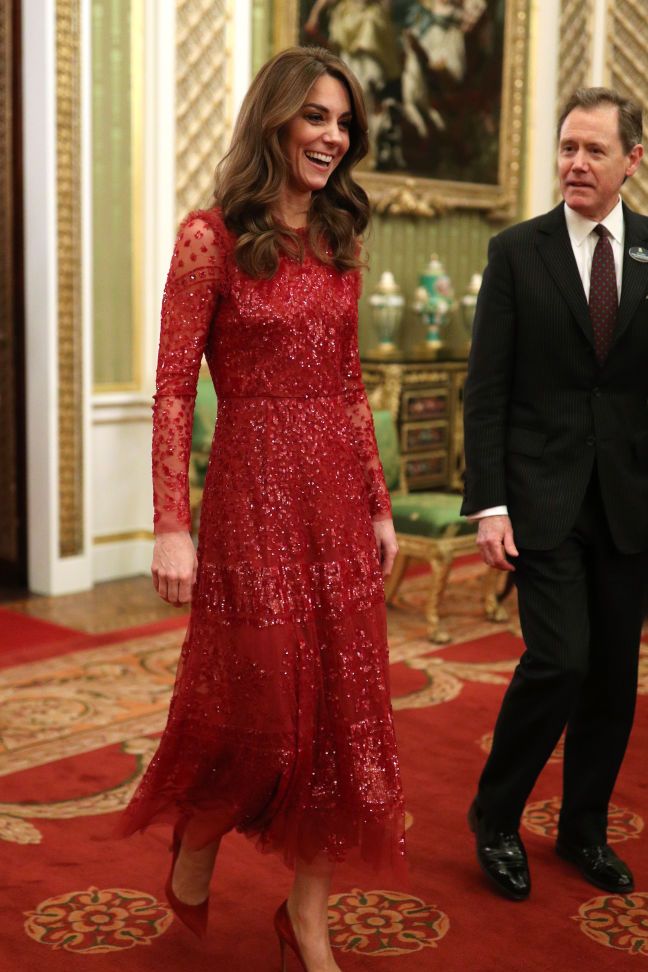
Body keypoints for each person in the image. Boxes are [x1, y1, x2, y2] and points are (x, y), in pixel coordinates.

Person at [117, 46, 406, 970]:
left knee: (341, 720)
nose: (333, 136)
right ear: (275, 120)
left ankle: (306, 917)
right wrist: (171, 522)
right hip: (249, 492)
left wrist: (378, 504)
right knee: (257, 713)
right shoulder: (211, 235)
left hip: (334, 499)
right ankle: (195, 840)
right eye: (316, 117)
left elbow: (351, 383)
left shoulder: (341, 234)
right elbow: (171, 389)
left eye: (344, 122)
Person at [461, 87, 647, 901]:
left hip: (631, 504)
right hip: (542, 496)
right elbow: (485, 390)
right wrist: (489, 503)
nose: (575, 162)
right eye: (567, 147)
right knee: (560, 660)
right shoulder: (517, 251)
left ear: (632, 161)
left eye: (594, 150)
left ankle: (582, 830)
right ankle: (496, 817)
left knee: (612, 676)